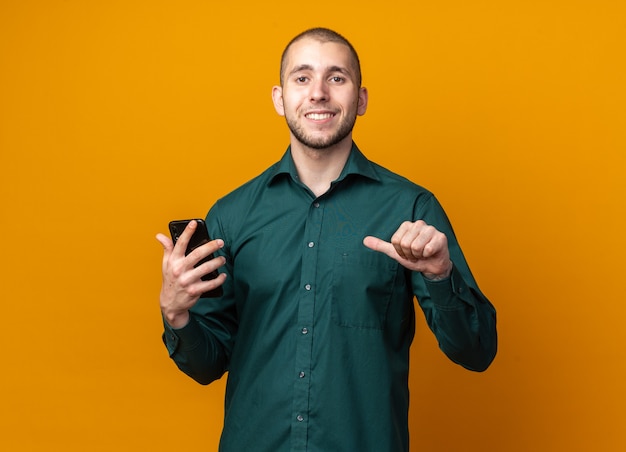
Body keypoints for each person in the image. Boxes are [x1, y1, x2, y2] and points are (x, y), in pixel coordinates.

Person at [156, 27, 497, 452]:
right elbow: (207, 365)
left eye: (337, 78)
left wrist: (441, 276)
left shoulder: (411, 209)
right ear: (280, 99)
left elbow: (476, 352)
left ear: (361, 99)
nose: (318, 92)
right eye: (302, 78)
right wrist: (177, 315)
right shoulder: (232, 214)